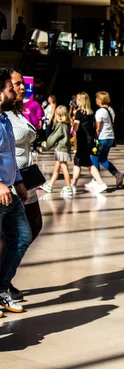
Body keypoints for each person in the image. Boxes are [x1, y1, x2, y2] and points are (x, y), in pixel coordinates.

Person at [0, 68, 31, 315]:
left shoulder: (5, 120)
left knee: (22, 237)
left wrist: (18, 181)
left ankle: (2, 288)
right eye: (11, 88)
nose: (16, 91)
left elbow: (9, 154)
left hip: (10, 191)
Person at [5, 69, 43, 258]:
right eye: (17, 83)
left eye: (22, 83)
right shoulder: (4, 113)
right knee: (16, 234)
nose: (23, 87)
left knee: (34, 225)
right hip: (10, 181)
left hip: (26, 179)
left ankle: (6, 275)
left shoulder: (18, 111)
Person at [72, 92, 107, 193]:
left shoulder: (79, 112)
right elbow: (94, 127)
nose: (76, 101)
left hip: (82, 140)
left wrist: (72, 129)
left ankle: (100, 183)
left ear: (81, 101)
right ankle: (73, 184)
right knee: (81, 162)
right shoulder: (90, 113)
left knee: (81, 162)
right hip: (90, 140)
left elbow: (76, 125)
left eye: (78, 99)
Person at [91, 91, 124, 188]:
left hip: (102, 137)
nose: (96, 100)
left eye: (97, 98)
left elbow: (98, 127)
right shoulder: (111, 110)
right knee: (103, 159)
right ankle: (117, 174)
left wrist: (94, 137)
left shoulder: (100, 111)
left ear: (101, 100)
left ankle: (96, 180)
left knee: (94, 158)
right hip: (110, 137)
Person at [41, 106, 73, 196]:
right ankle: (50, 185)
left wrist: (46, 146)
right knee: (56, 168)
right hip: (65, 148)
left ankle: (69, 187)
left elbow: (53, 138)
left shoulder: (60, 125)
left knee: (64, 168)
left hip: (60, 149)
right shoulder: (67, 125)